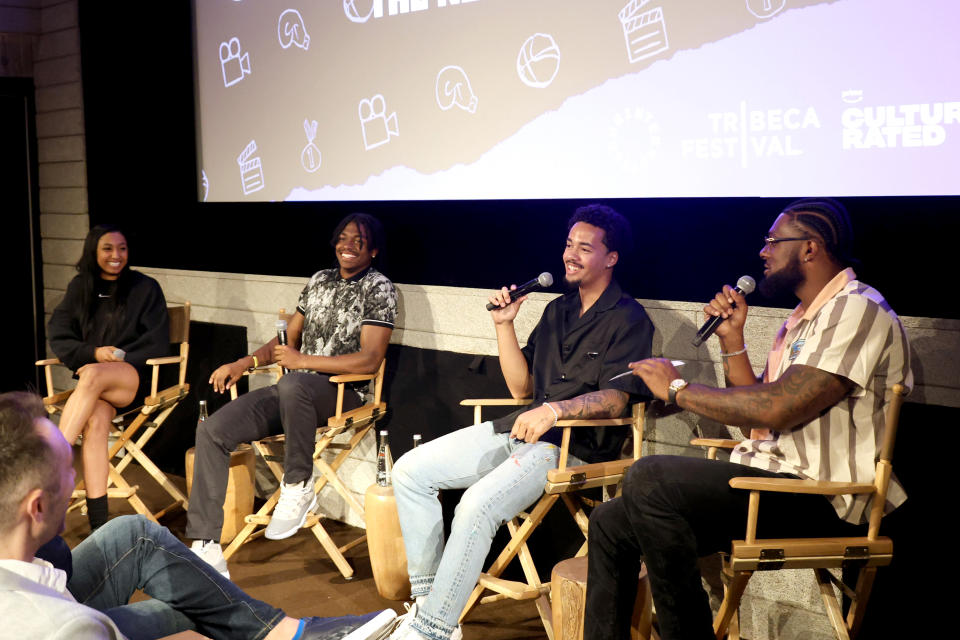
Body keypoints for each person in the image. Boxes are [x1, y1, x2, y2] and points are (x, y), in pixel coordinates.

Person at [583, 198, 913, 640]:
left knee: (651, 476)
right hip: (767, 483)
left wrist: (679, 390)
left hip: (823, 496)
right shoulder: (800, 321)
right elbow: (755, 422)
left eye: (774, 242)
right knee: (609, 522)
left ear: (810, 249)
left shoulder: (857, 308)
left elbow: (779, 405)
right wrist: (732, 339)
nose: (763, 252)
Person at [389, 205, 654, 640]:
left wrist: (555, 411)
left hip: (572, 447)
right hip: (521, 429)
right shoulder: (557, 312)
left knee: (476, 505)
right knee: (409, 471)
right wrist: (504, 327)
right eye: (569, 244)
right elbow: (520, 389)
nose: (570, 254)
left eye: (584, 248)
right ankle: (428, 601)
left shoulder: (629, 318)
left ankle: (432, 629)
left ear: (611, 258)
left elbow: (615, 398)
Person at [0, 391, 397, 640]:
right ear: (35, 506)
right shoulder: (69, 630)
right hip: (55, 609)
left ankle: (287, 632)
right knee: (197, 608)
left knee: (140, 538)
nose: (76, 476)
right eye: (66, 471)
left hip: (46, 583)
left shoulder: (21, 543)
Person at [187, 213, 398, 576]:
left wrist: (302, 361)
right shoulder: (319, 280)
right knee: (212, 431)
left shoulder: (379, 288)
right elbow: (288, 340)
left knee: (293, 383)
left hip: (345, 391)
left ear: (373, 251)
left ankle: (298, 484)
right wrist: (246, 361)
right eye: (343, 238)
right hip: (294, 391)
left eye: (358, 242)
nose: (347, 246)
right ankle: (206, 544)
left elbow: (371, 357)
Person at [48, 224, 170, 531]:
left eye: (122, 248)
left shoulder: (145, 288)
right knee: (95, 422)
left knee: (90, 376)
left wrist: (114, 358)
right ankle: (98, 523)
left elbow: (156, 342)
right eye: (108, 248)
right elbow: (60, 335)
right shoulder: (80, 287)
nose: (116, 255)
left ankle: (54, 462)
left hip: (133, 379)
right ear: (93, 251)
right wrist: (93, 352)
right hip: (96, 388)